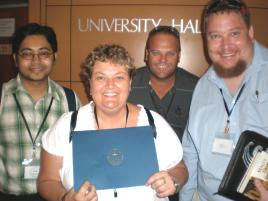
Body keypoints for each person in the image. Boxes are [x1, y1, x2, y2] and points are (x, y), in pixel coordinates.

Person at [37, 44, 189, 201]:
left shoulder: (153, 123)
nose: (110, 85)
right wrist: (65, 198)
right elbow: (47, 181)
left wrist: (174, 181)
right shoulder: (67, 126)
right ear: (90, 84)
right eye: (101, 77)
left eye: (119, 77)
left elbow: (180, 169)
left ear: (130, 83)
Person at [180, 0, 268, 200]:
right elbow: (191, 151)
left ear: (251, 32)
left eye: (234, 33)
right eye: (215, 36)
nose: (225, 45)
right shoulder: (203, 85)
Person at [0, 23, 81, 201]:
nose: (36, 60)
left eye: (44, 53)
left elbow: (79, 151)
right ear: (15, 58)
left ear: (54, 56)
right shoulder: (2, 97)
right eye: (27, 54)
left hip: (57, 196)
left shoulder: (70, 99)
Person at [128, 26, 198, 142]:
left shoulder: (196, 88)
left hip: (181, 159)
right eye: (156, 53)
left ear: (179, 56)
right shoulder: (127, 84)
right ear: (146, 54)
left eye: (170, 53)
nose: (163, 60)